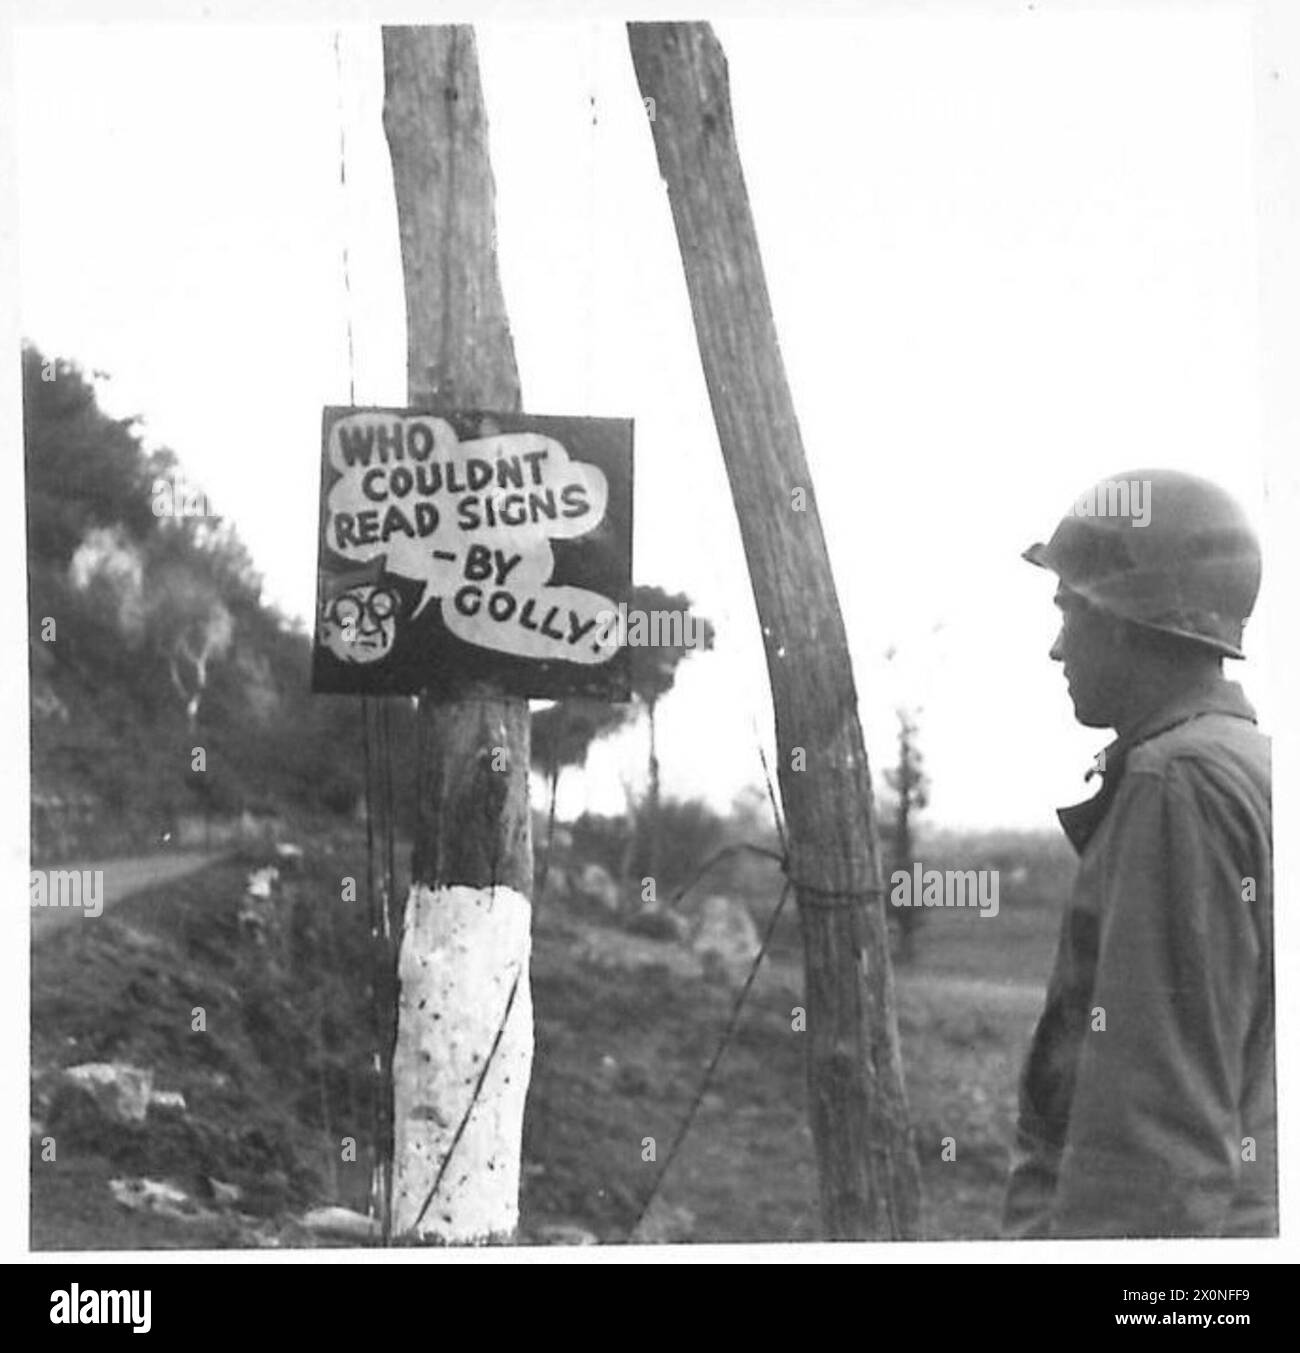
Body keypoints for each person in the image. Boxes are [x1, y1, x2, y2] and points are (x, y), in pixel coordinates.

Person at [1003, 470, 1275, 1238]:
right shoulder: (1248, 766)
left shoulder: (1174, 784)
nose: (1058, 647)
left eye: (1069, 610)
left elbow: (1150, 1149)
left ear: (1126, 618)